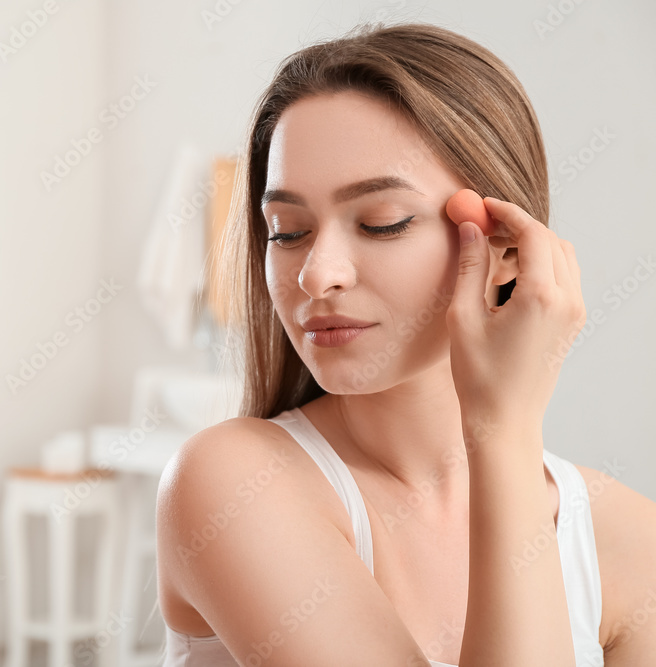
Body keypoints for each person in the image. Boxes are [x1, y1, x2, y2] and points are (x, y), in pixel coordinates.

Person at [155, 21, 656, 666]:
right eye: (287, 230)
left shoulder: (623, 535)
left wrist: (502, 435)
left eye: (380, 223)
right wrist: (502, 429)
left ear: (505, 248)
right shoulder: (232, 484)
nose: (317, 273)